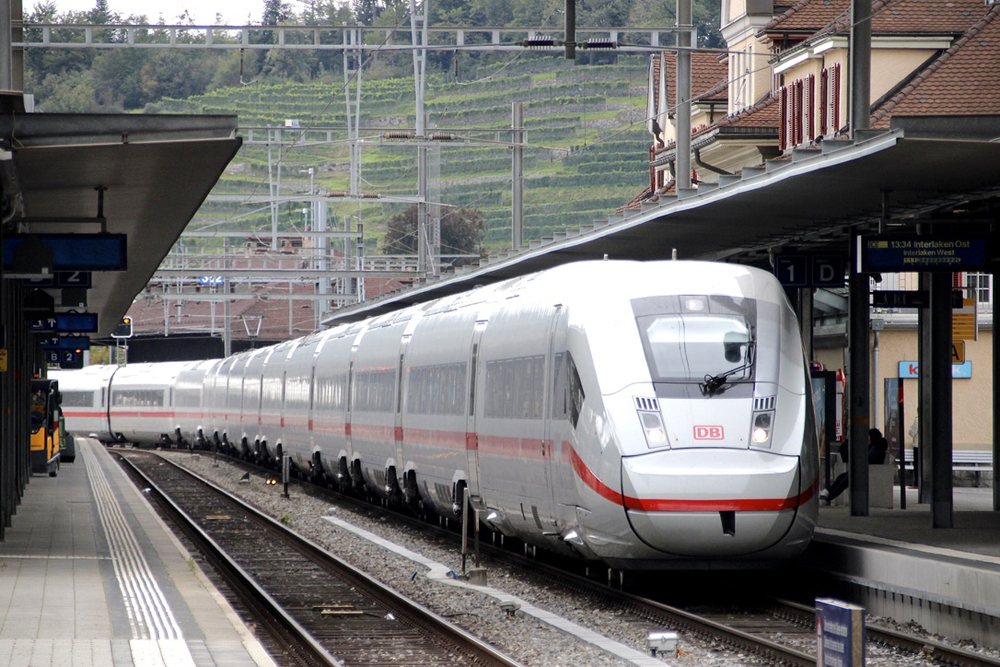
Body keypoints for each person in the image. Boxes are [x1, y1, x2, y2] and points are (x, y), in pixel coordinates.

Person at [820, 428, 889, 504]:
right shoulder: (875, 446)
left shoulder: (877, 446)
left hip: (869, 469)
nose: (867, 438)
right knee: (842, 477)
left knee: (845, 480)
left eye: (868, 436)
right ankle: (828, 493)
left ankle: (828, 497)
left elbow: (869, 459)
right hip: (868, 469)